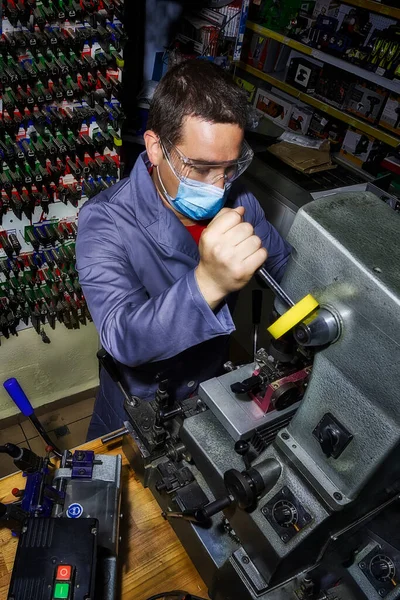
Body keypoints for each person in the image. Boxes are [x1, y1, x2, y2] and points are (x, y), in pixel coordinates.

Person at [76, 59, 291, 440]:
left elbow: (285, 269)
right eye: (201, 168)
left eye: (229, 167)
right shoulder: (106, 220)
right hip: (140, 404)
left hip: (212, 389)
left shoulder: (241, 201)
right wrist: (206, 284)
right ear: (156, 147)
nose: (219, 185)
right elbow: (121, 335)